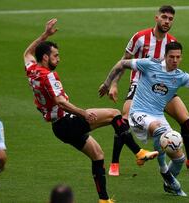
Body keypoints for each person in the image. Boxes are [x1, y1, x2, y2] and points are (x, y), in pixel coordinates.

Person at [23, 18, 158, 203]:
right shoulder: (49, 76)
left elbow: (27, 53)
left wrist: (45, 35)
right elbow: (60, 101)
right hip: (67, 121)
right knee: (114, 114)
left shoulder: (32, 70)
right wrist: (83, 113)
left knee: (97, 154)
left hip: (59, 128)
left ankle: (103, 200)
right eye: (55, 55)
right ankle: (138, 153)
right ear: (45, 58)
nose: (58, 58)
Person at [99, 41, 189, 195]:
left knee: (179, 158)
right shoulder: (150, 64)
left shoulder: (180, 76)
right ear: (165, 56)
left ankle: (168, 185)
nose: (175, 60)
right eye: (171, 57)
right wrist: (107, 83)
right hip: (138, 113)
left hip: (157, 116)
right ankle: (163, 170)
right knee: (159, 128)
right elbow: (122, 63)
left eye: (178, 57)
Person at [106, 5, 189, 176]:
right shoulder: (140, 37)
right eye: (164, 17)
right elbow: (125, 60)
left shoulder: (171, 43)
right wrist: (114, 84)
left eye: (170, 19)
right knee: (124, 119)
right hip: (140, 86)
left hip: (164, 89)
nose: (167, 21)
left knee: (185, 118)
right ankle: (115, 163)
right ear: (156, 18)